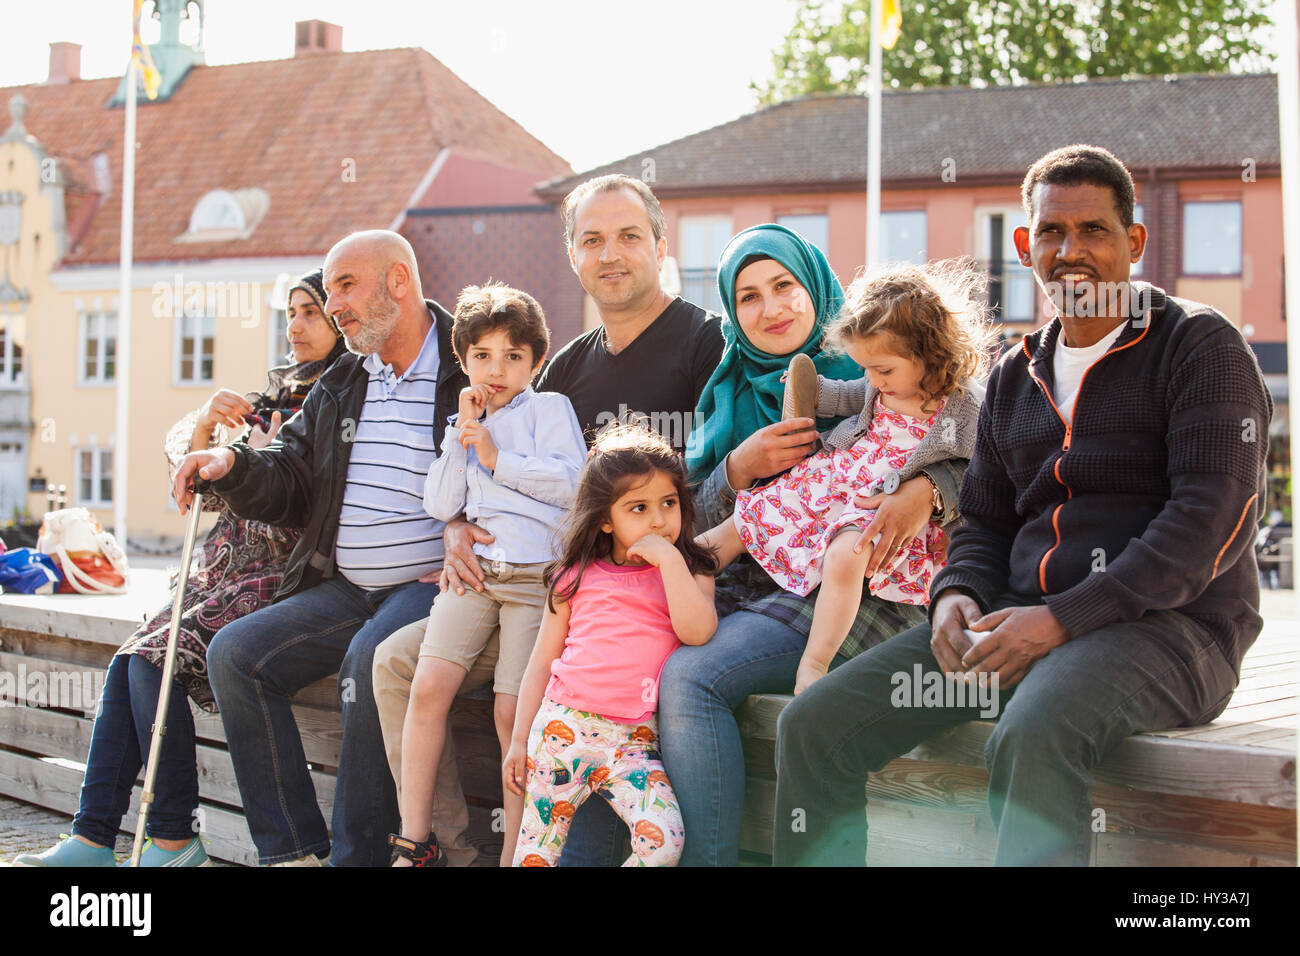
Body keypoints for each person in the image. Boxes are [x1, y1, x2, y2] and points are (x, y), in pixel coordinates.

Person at [773, 144, 1272, 866]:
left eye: (1094, 231)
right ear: (1025, 244)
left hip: (1171, 635)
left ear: (1132, 241)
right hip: (1011, 632)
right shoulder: (1015, 373)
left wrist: (1062, 619)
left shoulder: (1199, 347)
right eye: (1052, 233)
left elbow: (1209, 523)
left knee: (1035, 732)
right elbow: (983, 521)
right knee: (813, 726)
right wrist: (955, 598)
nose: (1071, 251)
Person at [371, 174, 723, 865]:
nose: (610, 254)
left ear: (659, 244)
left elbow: (701, 484)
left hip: (619, 598)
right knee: (388, 664)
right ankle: (438, 844)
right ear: (572, 255)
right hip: (527, 580)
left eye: (628, 236)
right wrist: (454, 526)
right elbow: (501, 467)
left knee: (518, 704)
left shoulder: (703, 344)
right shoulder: (565, 369)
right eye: (592, 239)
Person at [657, 222, 970, 867]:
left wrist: (932, 487)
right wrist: (736, 469)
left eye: (784, 285)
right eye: (747, 296)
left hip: (864, 581)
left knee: (689, 676)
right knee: (631, 651)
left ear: (817, 287)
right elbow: (685, 507)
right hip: (757, 579)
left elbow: (987, 459)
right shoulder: (729, 385)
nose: (769, 308)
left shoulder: (894, 367)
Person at [12, 270, 345, 867]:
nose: (295, 325)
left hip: (281, 578)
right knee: (129, 662)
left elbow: (298, 513)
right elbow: (199, 496)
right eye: (291, 312)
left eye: (311, 313)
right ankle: (92, 838)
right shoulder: (269, 398)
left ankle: (170, 836)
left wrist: (261, 459)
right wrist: (205, 429)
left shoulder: (340, 402)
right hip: (221, 570)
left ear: (342, 320)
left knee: (148, 660)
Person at [170, 230, 469, 867]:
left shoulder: (467, 363)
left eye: (344, 286)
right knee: (235, 654)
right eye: (328, 290)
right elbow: (291, 466)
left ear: (398, 281)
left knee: (367, 664)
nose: (333, 305)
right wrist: (231, 462)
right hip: (344, 585)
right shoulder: (345, 377)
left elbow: (521, 461)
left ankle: (355, 858)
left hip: (429, 588)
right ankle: (293, 854)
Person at [699, 260, 990, 696]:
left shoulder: (965, 405)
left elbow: (985, 470)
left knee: (846, 557)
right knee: (756, 511)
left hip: (883, 497)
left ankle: (815, 663)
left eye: (883, 370)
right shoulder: (881, 380)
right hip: (841, 474)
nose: (873, 380)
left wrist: (949, 510)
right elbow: (851, 396)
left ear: (930, 352)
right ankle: (684, 573)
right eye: (867, 369)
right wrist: (813, 391)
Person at [390, 284, 585, 867]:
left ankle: (515, 854)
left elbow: (574, 485)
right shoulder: (466, 421)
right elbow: (440, 502)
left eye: (513, 356)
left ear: (536, 361)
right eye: (482, 356)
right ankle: (414, 840)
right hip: (477, 578)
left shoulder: (550, 411)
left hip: (533, 582)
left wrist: (500, 457)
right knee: (427, 687)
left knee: (511, 714)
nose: (496, 370)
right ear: (464, 360)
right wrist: (462, 440)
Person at [503, 424, 718, 867]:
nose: (659, 520)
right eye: (638, 508)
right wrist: (519, 739)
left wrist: (670, 560)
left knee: (664, 843)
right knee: (536, 857)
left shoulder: (690, 571)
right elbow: (541, 662)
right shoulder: (575, 577)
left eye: (669, 503)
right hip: (562, 732)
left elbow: (698, 632)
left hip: (634, 745)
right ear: (605, 518)